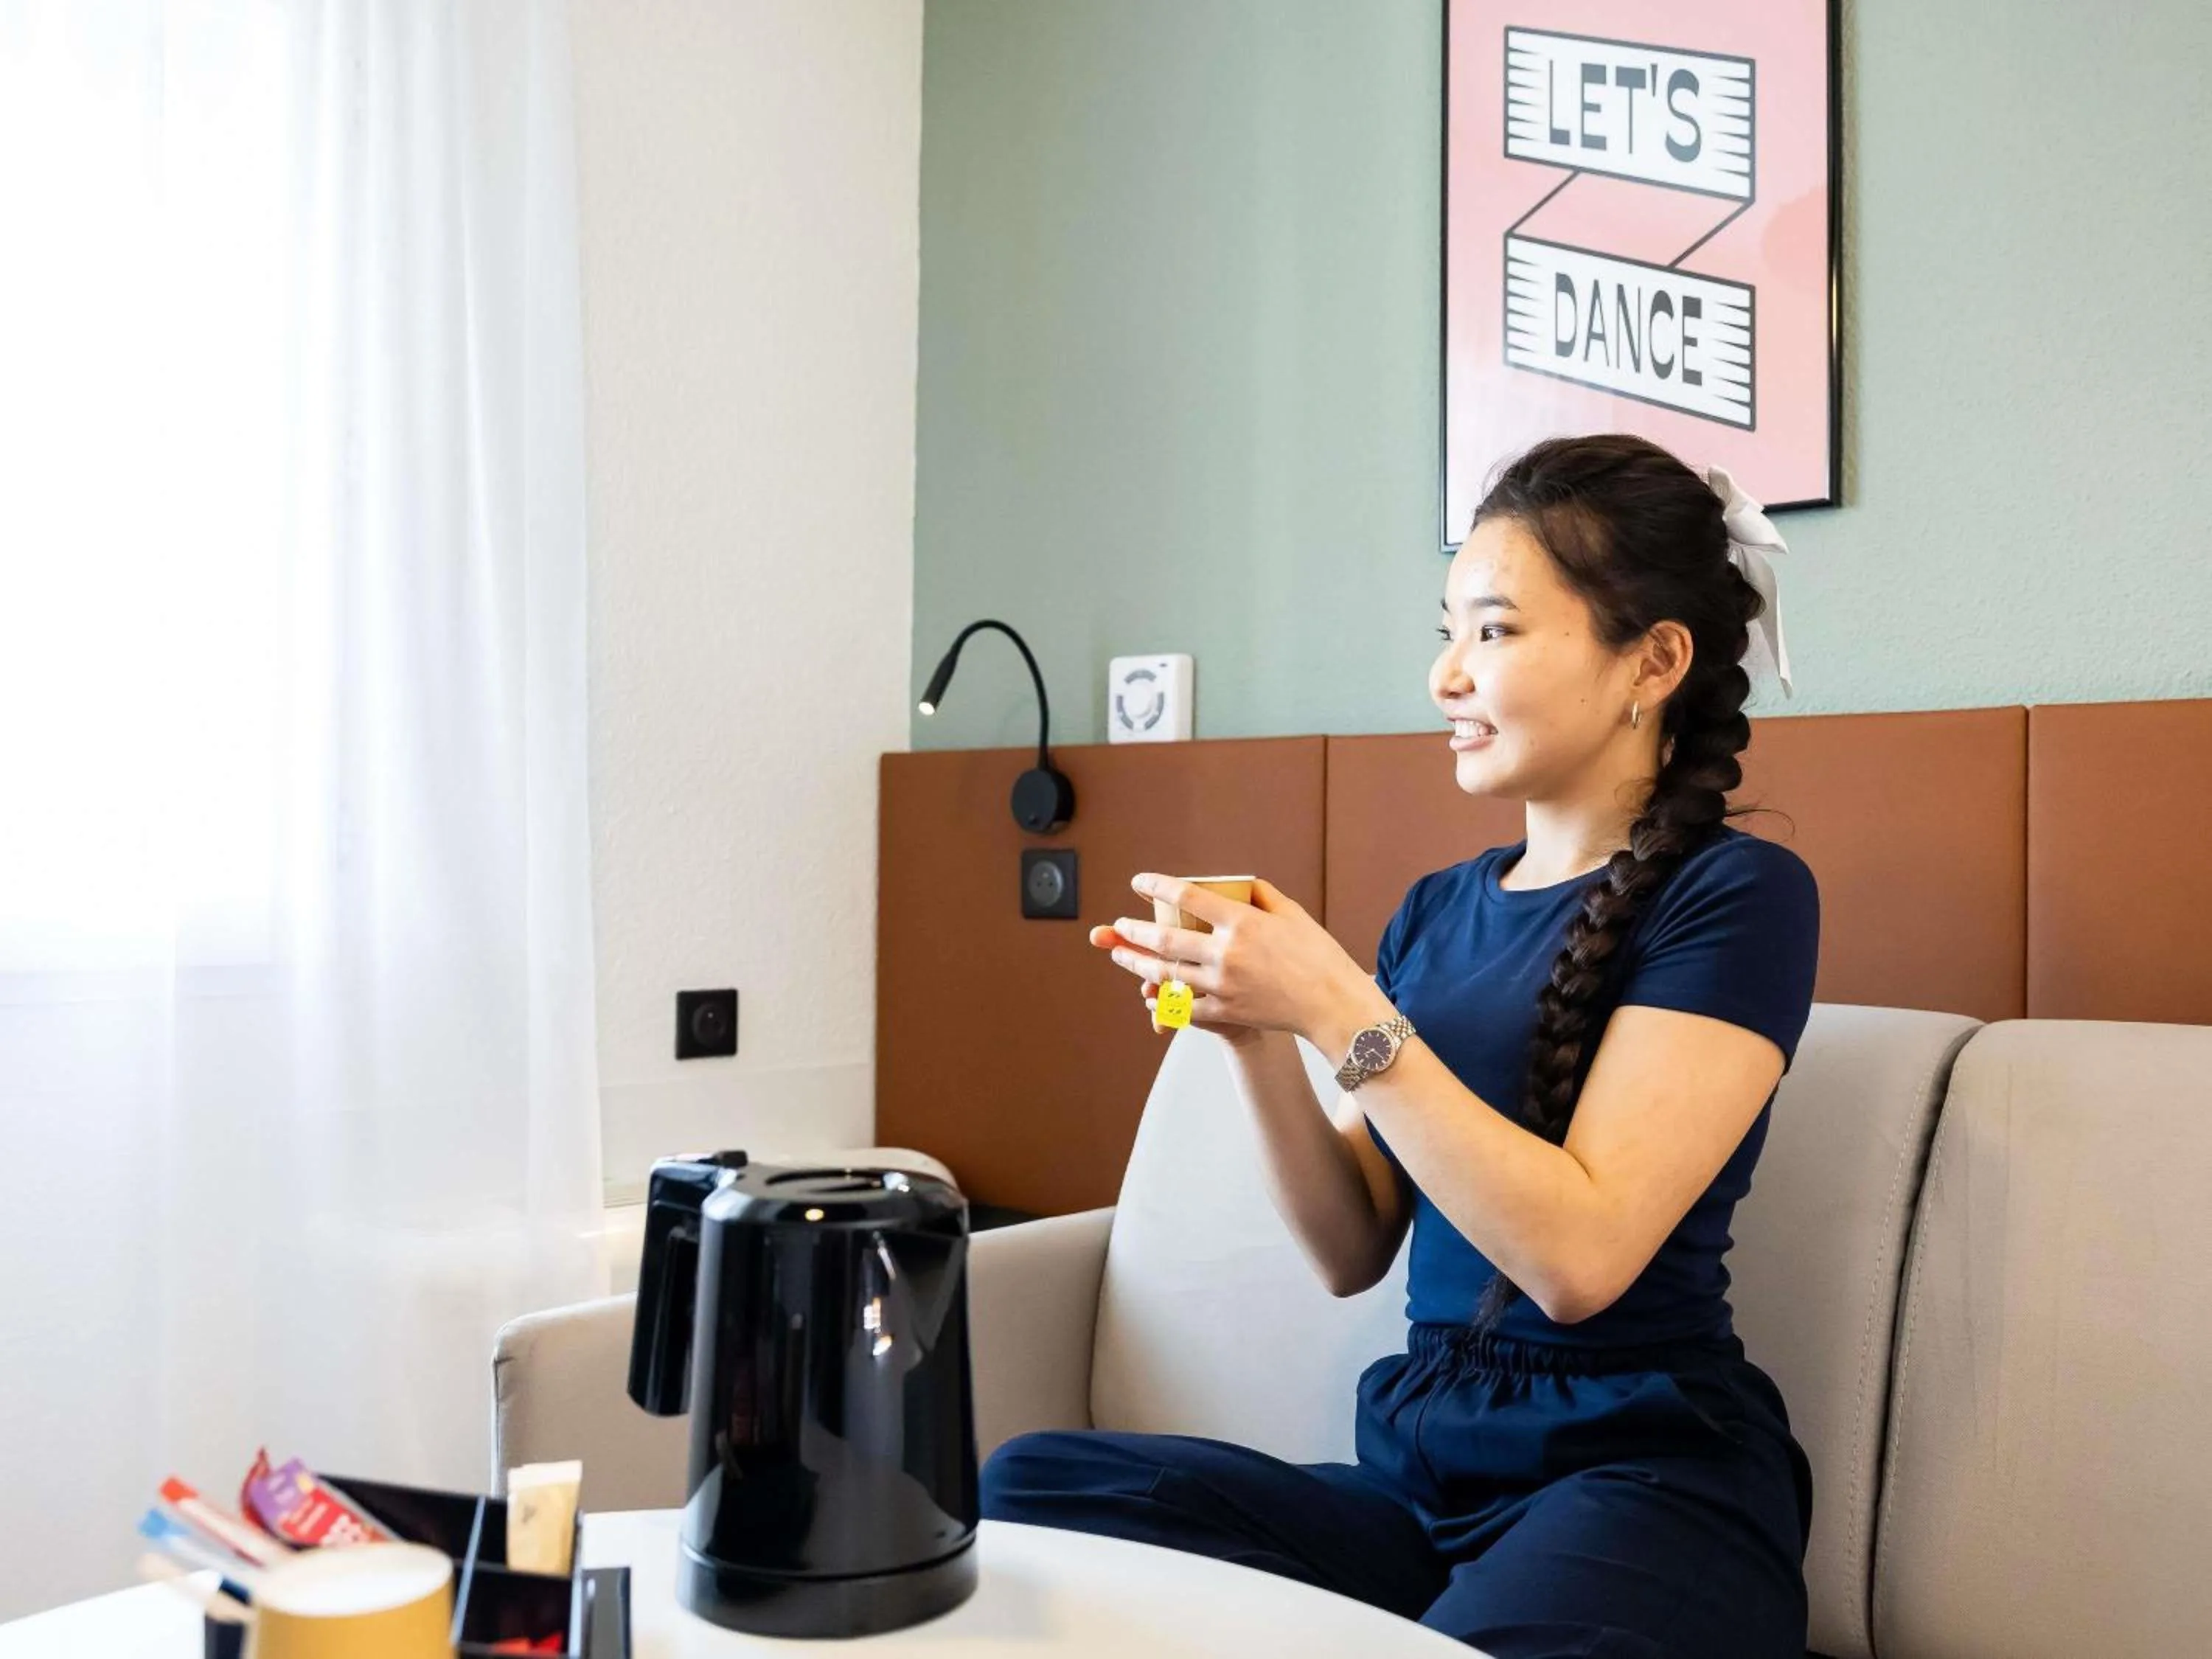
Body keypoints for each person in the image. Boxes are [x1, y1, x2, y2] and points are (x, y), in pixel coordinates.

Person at [981, 434, 1822, 1658]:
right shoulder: (1437, 911)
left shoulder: (1739, 895)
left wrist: (1337, 1005)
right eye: (1448, 630)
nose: (1445, 675)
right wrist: (1256, 1034)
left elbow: (1579, 1260)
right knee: (1031, 1489)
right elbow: (1348, 1246)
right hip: (1425, 1482)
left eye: (1495, 631)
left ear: (1653, 660)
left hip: (1643, 1478)